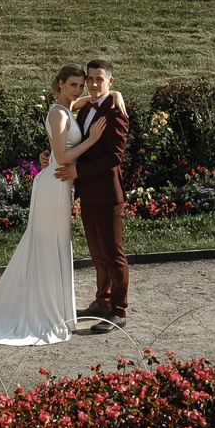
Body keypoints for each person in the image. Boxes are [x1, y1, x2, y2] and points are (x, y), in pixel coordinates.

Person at [0, 66, 105, 345]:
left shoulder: (68, 106)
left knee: (54, 245)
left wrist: (114, 96)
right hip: (52, 186)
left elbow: (94, 101)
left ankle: (51, 310)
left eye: (81, 85)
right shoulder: (58, 112)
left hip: (59, 184)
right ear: (61, 84)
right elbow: (63, 158)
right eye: (73, 85)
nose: (79, 90)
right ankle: (41, 313)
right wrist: (91, 140)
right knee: (47, 245)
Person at [60, 59, 130, 329]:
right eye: (90, 79)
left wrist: (79, 173)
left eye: (99, 79)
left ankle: (119, 311)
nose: (93, 84)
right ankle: (102, 301)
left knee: (113, 255)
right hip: (88, 193)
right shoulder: (86, 107)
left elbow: (114, 157)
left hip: (108, 195)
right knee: (97, 255)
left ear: (110, 81)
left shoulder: (116, 113)